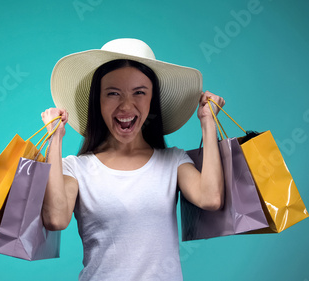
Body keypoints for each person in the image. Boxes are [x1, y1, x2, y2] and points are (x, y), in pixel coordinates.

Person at [40, 38, 225, 280]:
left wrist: (207, 122)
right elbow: (55, 219)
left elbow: (211, 198)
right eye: (113, 93)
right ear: (98, 101)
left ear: (152, 100)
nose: (126, 106)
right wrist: (55, 137)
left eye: (139, 92)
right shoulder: (77, 168)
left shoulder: (173, 161)